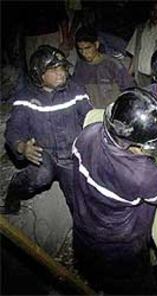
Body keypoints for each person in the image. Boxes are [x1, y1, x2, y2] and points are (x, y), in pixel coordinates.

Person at [71, 88, 157, 294]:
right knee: (136, 286)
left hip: (83, 227)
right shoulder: (141, 173)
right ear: (130, 143)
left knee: (99, 278)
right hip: (119, 244)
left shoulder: (89, 133)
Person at [0, 45, 92, 215]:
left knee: (78, 203)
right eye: (53, 69)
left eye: (62, 67)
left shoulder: (76, 91)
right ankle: (12, 197)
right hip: (44, 152)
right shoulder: (26, 97)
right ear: (39, 74)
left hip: (70, 155)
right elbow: (14, 129)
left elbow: (89, 117)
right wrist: (22, 147)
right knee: (40, 177)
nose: (61, 73)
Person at [72, 26, 136, 108]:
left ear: (96, 44)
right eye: (80, 49)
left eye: (87, 48)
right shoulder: (80, 66)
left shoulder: (112, 65)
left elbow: (130, 89)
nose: (84, 53)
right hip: (91, 114)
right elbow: (75, 89)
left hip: (111, 113)